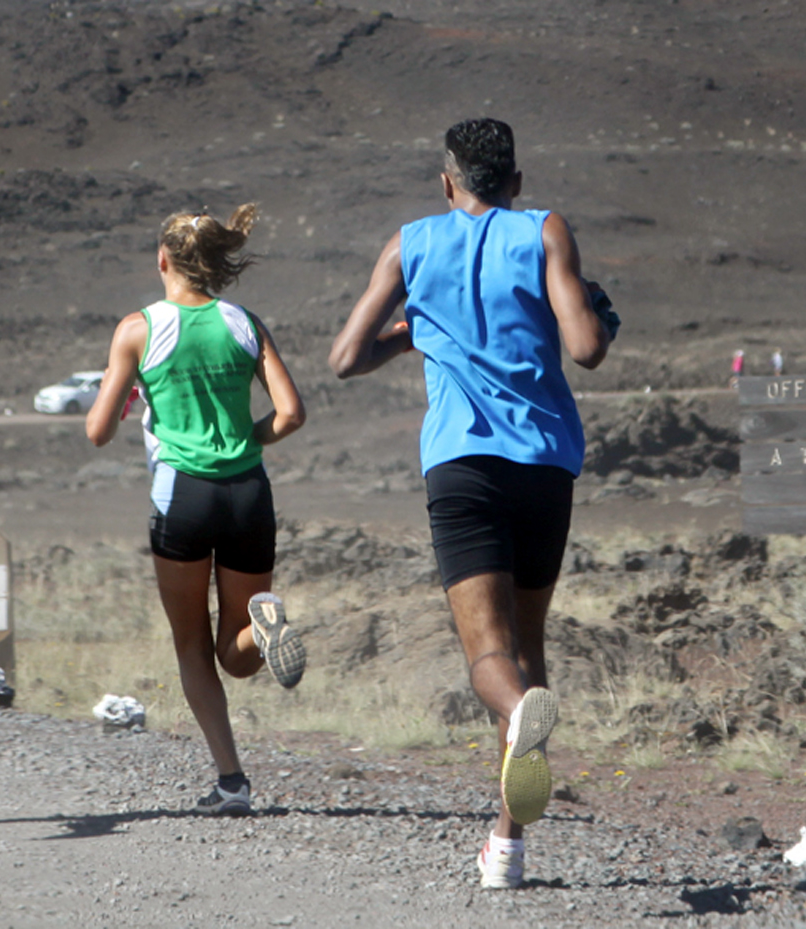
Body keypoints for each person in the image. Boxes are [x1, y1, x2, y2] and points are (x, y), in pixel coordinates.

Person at [328, 118, 613, 889]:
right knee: (529, 645)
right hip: (545, 464)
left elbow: (347, 356)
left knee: (491, 658)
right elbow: (584, 345)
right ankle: (507, 846)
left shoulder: (411, 243)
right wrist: (596, 312)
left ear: (448, 183)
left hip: (461, 465)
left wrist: (417, 327)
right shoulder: (545, 230)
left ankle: (520, 729)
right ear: (515, 181)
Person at [85, 205, 307, 817]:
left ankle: (232, 782)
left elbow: (98, 430)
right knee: (237, 654)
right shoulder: (244, 323)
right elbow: (291, 413)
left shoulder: (138, 328)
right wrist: (244, 440)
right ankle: (266, 624)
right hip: (249, 494)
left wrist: (132, 392)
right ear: (213, 263)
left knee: (191, 645)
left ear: (163, 261)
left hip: (182, 495)